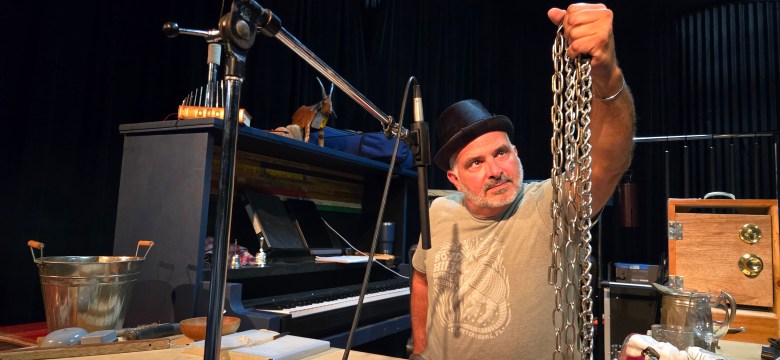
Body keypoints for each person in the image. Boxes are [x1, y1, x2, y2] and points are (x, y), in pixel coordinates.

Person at [410, 3, 635, 359]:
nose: (495, 169)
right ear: (454, 178)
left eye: (501, 153)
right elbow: (422, 277)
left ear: (516, 153)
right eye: (476, 162)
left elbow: (609, 160)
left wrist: (606, 75)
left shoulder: (552, 204)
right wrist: (420, 346)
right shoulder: (438, 212)